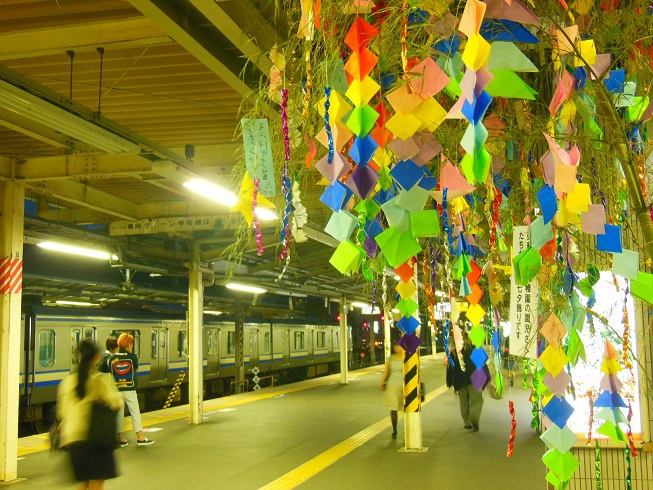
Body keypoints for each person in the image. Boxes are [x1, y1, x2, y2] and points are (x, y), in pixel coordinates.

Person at [56, 339, 124, 489]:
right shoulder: (100, 380)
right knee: (96, 484)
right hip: (95, 438)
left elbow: (61, 413)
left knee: (84, 483)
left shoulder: (66, 382)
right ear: (97, 357)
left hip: (72, 440)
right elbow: (116, 404)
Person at [109, 333, 154, 447]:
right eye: (131, 344)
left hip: (117, 389)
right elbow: (136, 369)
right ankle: (140, 438)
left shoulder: (112, 358)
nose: (132, 346)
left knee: (119, 414)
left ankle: (122, 439)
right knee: (135, 412)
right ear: (128, 344)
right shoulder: (132, 357)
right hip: (130, 387)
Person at [445, 331, 483, 431]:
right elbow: (482, 365)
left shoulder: (454, 352)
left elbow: (450, 369)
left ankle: (467, 422)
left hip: (459, 380)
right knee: (477, 400)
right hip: (474, 379)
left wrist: (449, 382)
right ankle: (474, 418)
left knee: (464, 401)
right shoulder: (475, 349)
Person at [380, 343, 404, 439]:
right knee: (393, 408)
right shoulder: (391, 358)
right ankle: (394, 430)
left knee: (406, 408)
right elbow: (387, 371)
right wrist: (382, 382)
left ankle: (410, 427)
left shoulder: (407, 358)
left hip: (404, 386)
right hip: (392, 385)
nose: (397, 348)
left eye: (399, 346)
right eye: (396, 346)